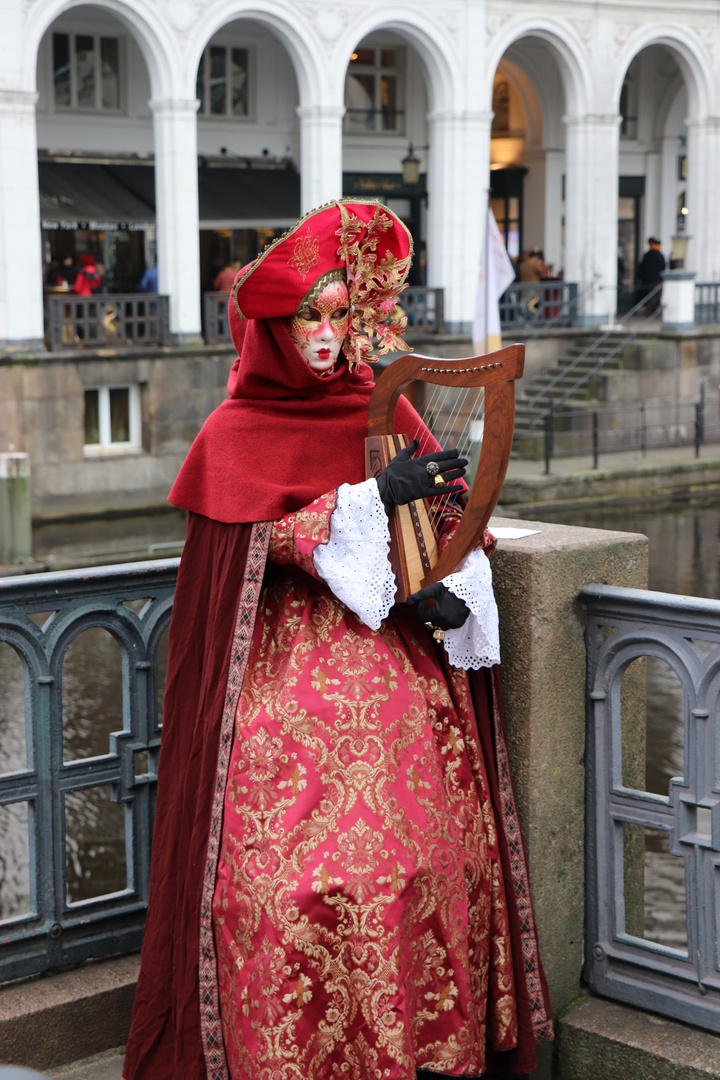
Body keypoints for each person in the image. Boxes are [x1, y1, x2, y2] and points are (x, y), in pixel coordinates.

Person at [122, 200, 551, 1080]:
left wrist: (438, 582)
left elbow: (449, 518)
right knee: (279, 885)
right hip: (277, 675)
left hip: (394, 670)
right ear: (272, 330)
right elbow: (249, 543)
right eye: (304, 319)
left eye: (336, 316)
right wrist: (359, 504)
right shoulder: (231, 432)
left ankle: (415, 1044)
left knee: (425, 855)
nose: (323, 337)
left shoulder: (382, 406)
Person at [637, 237, 665, 313]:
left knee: (650, 295)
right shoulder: (659, 255)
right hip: (656, 280)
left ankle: (649, 308)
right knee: (655, 296)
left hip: (647, 280)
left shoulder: (647, 255)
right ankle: (650, 308)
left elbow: (641, 268)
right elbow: (662, 268)